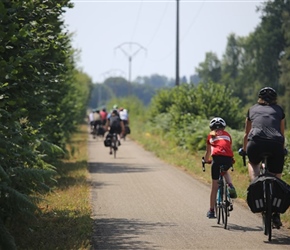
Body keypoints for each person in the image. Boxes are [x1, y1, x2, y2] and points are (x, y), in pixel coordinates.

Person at [239, 86, 286, 227]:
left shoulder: (252, 109)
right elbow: (282, 134)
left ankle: (256, 184)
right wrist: (282, 150)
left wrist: (245, 149)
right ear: (275, 99)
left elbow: (247, 134)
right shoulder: (279, 110)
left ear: (259, 98)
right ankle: (276, 213)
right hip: (276, 143)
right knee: (276, 173)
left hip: (256, 142)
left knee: (253, 163)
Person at [204, 117, 237, 219]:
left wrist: (205, 160)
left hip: (216, 159)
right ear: (223, 127)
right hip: (227, 159)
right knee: (225, 171)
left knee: (214, 187)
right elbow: (228, 149)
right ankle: (230, 185)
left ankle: (211, 211)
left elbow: (208, 152)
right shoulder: (227, 135)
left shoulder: (211, 135)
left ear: (211, 128)